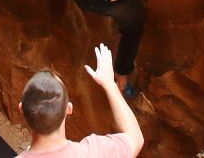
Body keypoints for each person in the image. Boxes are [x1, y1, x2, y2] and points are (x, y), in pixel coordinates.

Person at [16, 43, 144, 157]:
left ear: (21, 108)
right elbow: (135, 138)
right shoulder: (96, 152)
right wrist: (109, 84)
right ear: (69, 109)